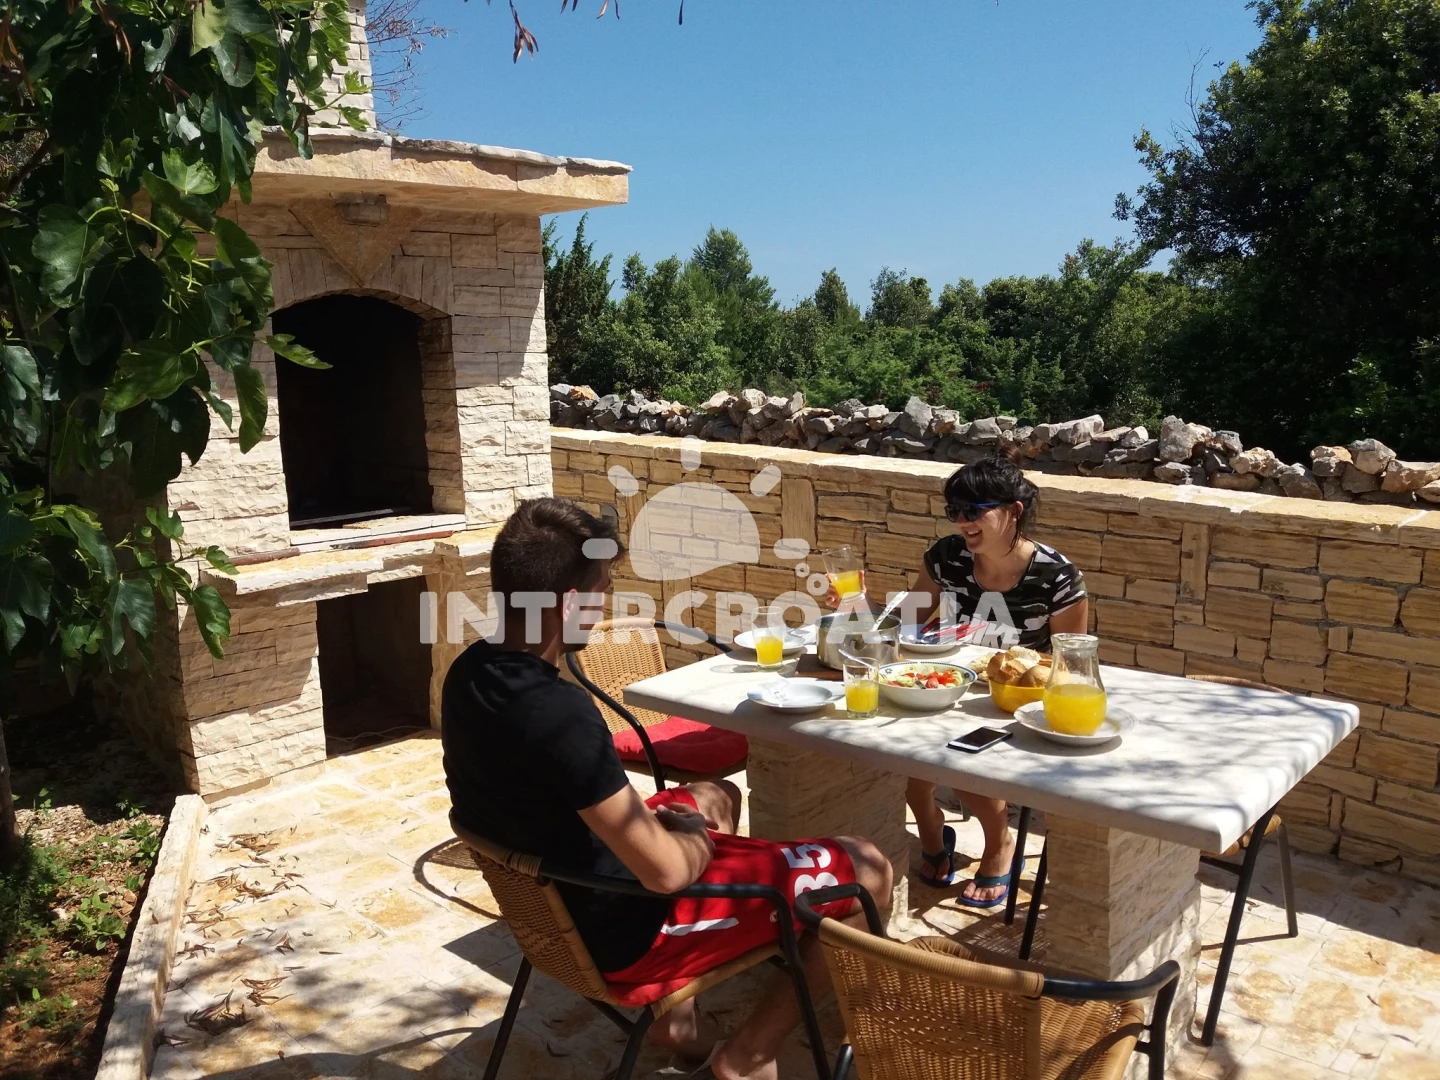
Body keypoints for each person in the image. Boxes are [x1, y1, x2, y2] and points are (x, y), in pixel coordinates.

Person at [442, 498, 893, 1080]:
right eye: (602, 590)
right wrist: (694, 839)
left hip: (558, 894)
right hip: (626, 932)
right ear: (570, 603)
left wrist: (689, 822)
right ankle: (748, 1056)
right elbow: (667, 874)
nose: (606, 603)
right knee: (868, 868)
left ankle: (681, 1027)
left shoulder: (470, 671)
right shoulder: (558, 715)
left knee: (717, 794)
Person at [905, 446, 1088, 906]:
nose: (962, 522)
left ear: (1014, 511)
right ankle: (933, 835)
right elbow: (909, 622)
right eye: (954, 511)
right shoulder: (946, 556)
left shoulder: (1057, 576)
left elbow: (1070, 663)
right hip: (949, 688)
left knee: (962, 762)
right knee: (903, 761)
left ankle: (1000, 845)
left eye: (973, 511)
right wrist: (857, 604)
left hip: (1017, 703)